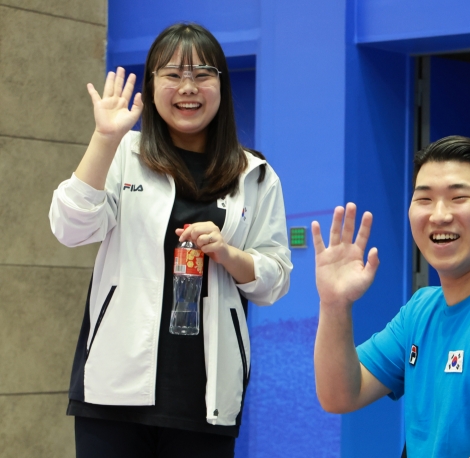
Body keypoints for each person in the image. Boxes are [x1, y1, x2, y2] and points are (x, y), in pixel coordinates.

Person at [49, 23, 292, 457]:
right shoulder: (124, 154)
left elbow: (274, 279)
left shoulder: (253, 175)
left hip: (206, 397)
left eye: (202, 74)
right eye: (173, 75)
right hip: (113, 390)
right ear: (152, 85)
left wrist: (228, 253)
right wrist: (105, 138)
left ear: (221, 84)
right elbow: (70, 227)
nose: (188, 87)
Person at [312, 136, 470, 457]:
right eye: (425, 199)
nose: (439, 215)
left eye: (458, 197)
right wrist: (334, 305)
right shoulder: (421, 308)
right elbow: (340, 395)